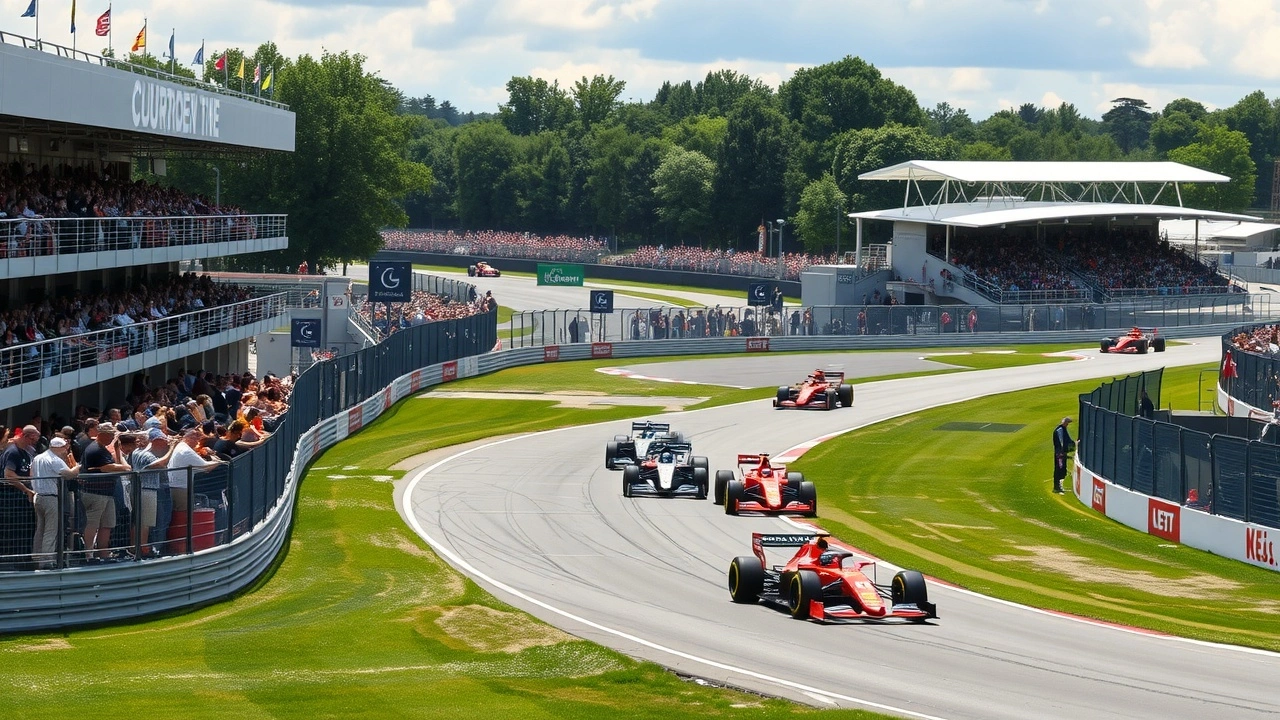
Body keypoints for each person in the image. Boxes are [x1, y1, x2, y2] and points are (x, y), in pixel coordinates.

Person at [81, 423, 131, 561]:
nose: (112, 438)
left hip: (107, 493)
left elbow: (122, 466)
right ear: (102, 434)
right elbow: (108, 467)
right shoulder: (95, 449)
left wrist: (117, 450)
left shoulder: (104, 449)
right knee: (93, 523)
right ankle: (89, 555)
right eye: (110, 435)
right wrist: (124, 467)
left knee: (107, 524)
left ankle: (103, 553)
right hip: (95, 493)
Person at [129, 429, 180, 558]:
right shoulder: (146, 455)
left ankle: (134, 548)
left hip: (138, 489)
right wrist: (172, 448)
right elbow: (162, 463)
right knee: (145, 522)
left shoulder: (135, 452)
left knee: (138, 521)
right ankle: (142, 550)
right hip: (147, 490)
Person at [30, 436, 78, 568]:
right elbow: (69, 474)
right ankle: (46, 561)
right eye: (64, 447)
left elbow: (31, 474)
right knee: (51, 530)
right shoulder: (55, 460)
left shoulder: (38, 457)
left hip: (38, 496)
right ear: (59, 448)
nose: (65, 450)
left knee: (40, 529)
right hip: (51, 498)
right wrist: (77, 468)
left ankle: (37, 557)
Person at [1052, 417, 1075, 494]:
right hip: (1060, 454)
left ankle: (1057, 486)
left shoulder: (1062, 429)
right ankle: (1056, 487)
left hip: (1061, 453)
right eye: (1067, 423)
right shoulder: (1060, 430)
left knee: (1062, 469)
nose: (1067, 425)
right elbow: (1062, 442)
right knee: (1059, 469)